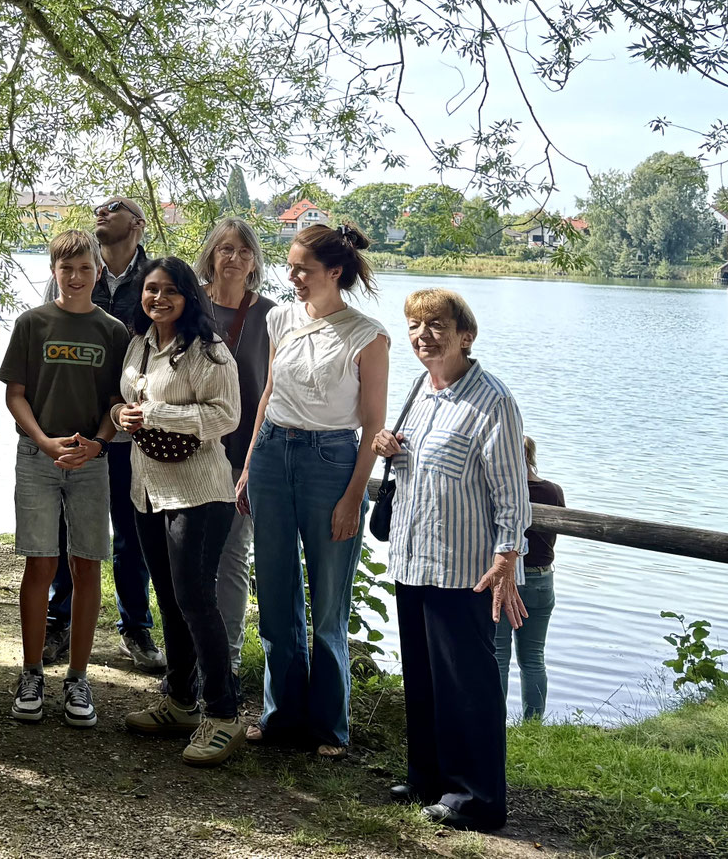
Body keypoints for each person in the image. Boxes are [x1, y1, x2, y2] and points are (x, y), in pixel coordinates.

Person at [373, 288, 529, 831]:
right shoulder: (421, 388)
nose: (423, 336)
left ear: (466, 335)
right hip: (415, 560)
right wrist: (391, 447)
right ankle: (428, 780)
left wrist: (507, 558)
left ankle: (478, 799)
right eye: (415, 326)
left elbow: (513, 494)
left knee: (467, 686)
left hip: (467, 570)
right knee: (424, 677)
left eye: (436, 325)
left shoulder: (492, 401)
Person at [237, 223, 390, 755]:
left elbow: (373, 426)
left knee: (327, 603)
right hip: (273, 456)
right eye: (291, 266)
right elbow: (268, 396)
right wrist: (249, 466)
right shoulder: (280, 317)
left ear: (335, 272)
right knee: (277, 593)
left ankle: (329, 726)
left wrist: (354, 497)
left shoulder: (367, 335)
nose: (293, 275)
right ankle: (281, 718)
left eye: (303, 268)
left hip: (332, 462)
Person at [113, 257, 243, 766]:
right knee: (167, 597)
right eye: (150, 290)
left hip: (200, 492)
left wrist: (159, 412)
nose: (158, 298)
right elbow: (126, 400)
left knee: (195, 598)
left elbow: (226, 416)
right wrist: (120, 415)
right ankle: (181, 700)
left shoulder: (210, 354)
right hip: (148, 488)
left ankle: (224, 714)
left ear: (189, 296)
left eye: (169, 290)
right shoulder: (140, 343)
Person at [0, 229, 127, 731]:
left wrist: (99, 440)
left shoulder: (113, 331)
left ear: (99, 272)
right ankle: (31, 673)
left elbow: (121, 401)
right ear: (53, 269)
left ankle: (78, 677)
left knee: (87, 564)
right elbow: (15, 395)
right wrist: (45, 441)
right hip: (38, 454)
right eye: (66, 268)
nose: (75, 278)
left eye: (85, 269)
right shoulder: (33, 324)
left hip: (90, 459)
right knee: (41, 562)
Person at [42, 194, 162, 675]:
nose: (101, 210)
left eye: (115, 206)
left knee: (130, 533)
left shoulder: (156, 280)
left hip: (132, 430)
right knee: (65, 528)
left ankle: (136, 628)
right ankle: (58, 621)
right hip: (76, 428)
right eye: (99, 206)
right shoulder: (79, 271)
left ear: (138, 223)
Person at [195, 217, 276, 678]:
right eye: (226, 249)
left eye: (244, 252)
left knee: (231, 555)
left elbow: (277, 386)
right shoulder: (189, 305)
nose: (234, 258)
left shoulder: (271, 314)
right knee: (185, 556)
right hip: (187, 448)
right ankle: (188, 656)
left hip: (243, 452)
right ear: (211, 254)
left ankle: (223, 657)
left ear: (254, 261)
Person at [494, 437, 562, 721]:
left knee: (498, 658)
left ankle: (492, 722)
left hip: (506, 579)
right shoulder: (553, 491)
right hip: (542, 580)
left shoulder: (502, 493)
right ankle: (533, 723)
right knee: (533, 658)